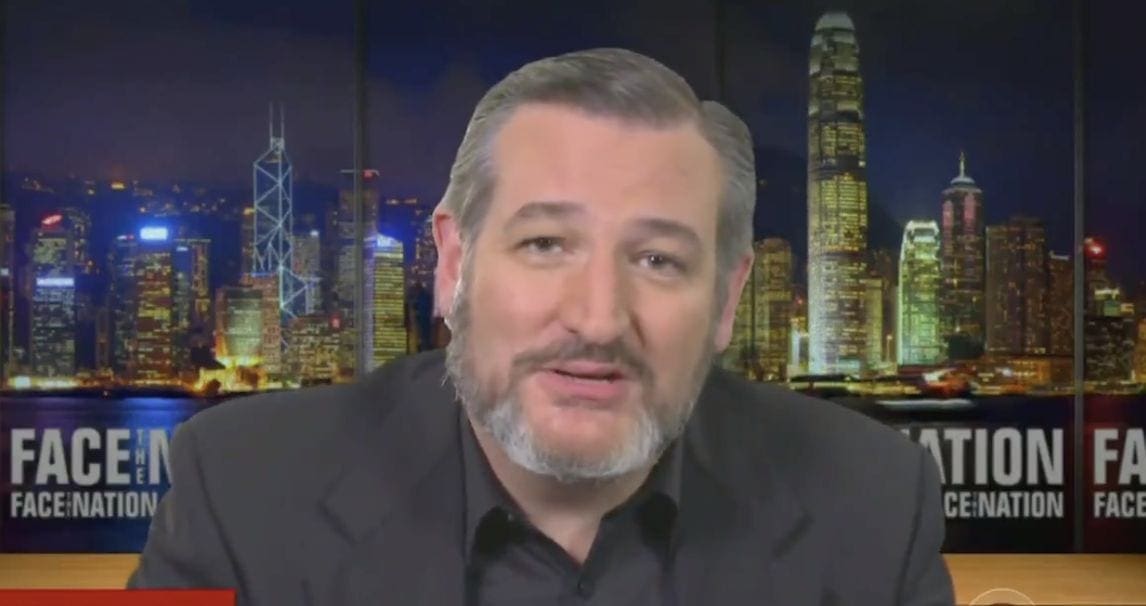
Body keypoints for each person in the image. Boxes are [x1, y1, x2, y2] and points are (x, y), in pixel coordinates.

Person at [128, 47, 955, 605]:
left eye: (658, 260)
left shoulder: (872, 507)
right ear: (455, 265)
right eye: (546, 244)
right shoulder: (241, 491)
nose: (597, 318)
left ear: (728, 300)